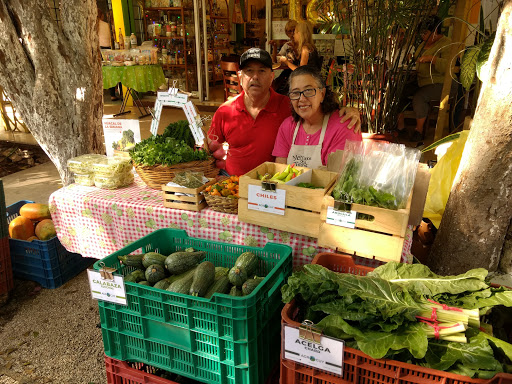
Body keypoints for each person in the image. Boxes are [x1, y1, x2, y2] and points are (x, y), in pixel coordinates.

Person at [208, 48, 361, 176]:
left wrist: (351, 111)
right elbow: (209, 149)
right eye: (249, 71)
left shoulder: (288, 106)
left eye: (261, 71)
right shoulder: (225, 111)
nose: (255, 76)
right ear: (240, 77)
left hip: (277, 190)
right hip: (234, 186)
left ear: (271, 76)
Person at [273, 66, 362, 168]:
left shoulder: (344, 125)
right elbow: (280, 172)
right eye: (295, 93)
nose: (301, 98)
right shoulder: (287, 126)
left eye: (308, 90)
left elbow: (340, 179)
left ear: (322, 94)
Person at [397, 15, 453, 142]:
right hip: (421, 80)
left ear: (435, 32)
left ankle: (419, 131)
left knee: (419, 97)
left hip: (441, 83)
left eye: (425, 33)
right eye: (421, 33)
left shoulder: (447, 44)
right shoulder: (423, 44)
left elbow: (447, 66)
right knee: (398, 92)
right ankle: (401, 128)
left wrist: (431, 59)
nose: (422, 36)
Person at [270, 20, 298, 95]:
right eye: (290, 31)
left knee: (280, 86)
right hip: (288, 72)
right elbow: (275, 60)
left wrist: (287, 62)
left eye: (294, 30)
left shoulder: (302, 45)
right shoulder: (287, 45)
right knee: (276, 83)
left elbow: (301, 67)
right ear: (287, 33)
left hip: (297, 74)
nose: (292, 33)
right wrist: (275, 47)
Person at [97, 8, 119, 101]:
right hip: (109, 50)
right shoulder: (106, 25)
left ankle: (100, 93)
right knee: (112, 71)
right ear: (102, 16)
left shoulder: (92, 26)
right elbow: (113, 38)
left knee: (101, 72)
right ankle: (113, 94)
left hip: (98, 50)